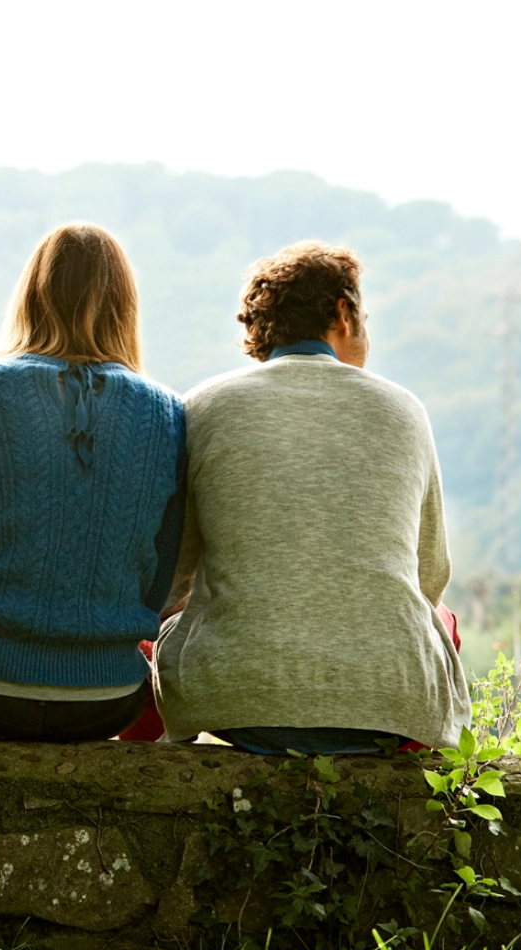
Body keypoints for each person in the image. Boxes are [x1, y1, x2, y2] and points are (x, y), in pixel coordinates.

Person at [155, 242, 466, 754]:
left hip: (237, 704)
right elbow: (429, 576)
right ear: (343, 313)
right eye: (364, 314)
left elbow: (172, 579)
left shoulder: (203, 406)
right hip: (389, 707)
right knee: (441, 619)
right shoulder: (404, 409)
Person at [0, 223, 188, 741]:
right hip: (107, 698)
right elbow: (158, 573)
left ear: (31, 293)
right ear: (126, 306)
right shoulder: (165, 412)